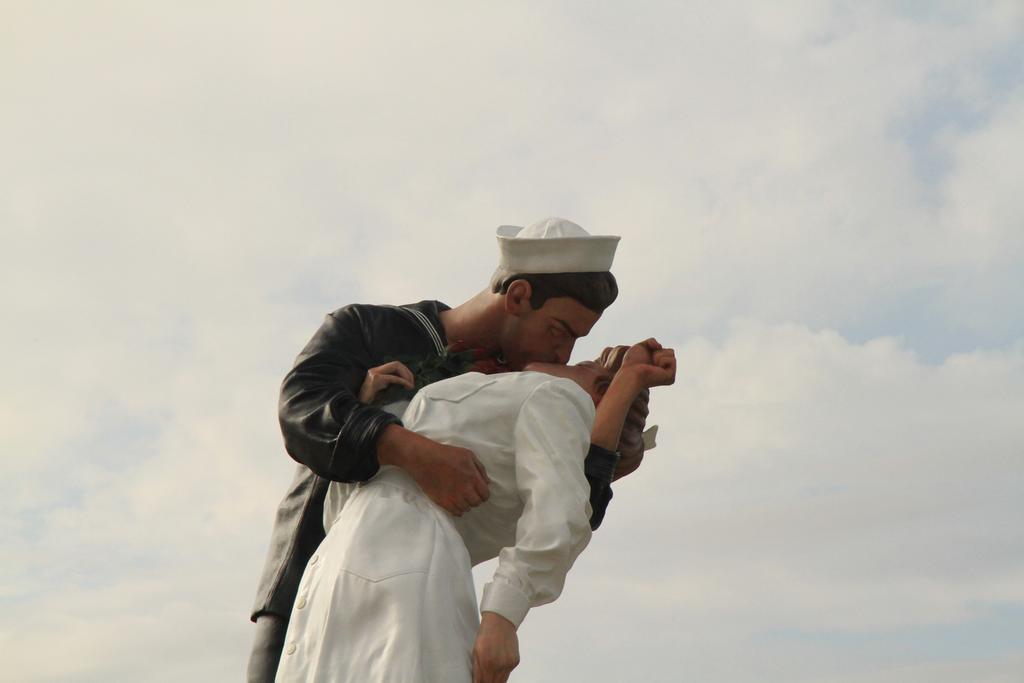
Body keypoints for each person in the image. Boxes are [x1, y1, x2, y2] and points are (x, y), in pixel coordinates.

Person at [248, 218, 654, 681]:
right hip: (308, 575)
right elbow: (301, 411)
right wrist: (405, 445)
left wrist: (614, 420)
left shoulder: (525, 391)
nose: (564, 353)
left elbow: (565, 510)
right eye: (560, 330)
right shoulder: (368, 329)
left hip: (412, 586)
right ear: (519, 296)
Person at [274, 340, 676, 682]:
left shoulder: (555, 395)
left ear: (598, 389)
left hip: (395, 558)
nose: (568, 361)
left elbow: (560, 513)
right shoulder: (532, 397)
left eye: (582, 368)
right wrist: (370, 412)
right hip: (352, 557)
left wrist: (503, 615)